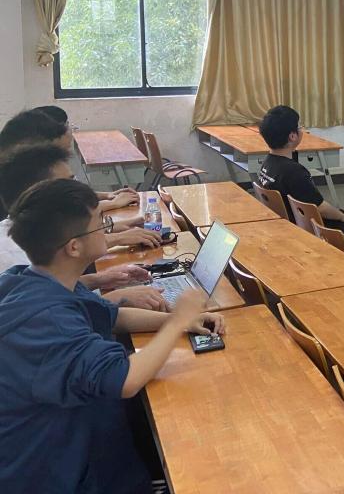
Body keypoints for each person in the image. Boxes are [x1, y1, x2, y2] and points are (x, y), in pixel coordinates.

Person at [0, 178, 225, 493]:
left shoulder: (30, 280)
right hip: (54, 469)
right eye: (100, 223)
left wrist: (182, 320)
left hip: (72, 436)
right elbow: (125, 380)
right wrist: (177, 323)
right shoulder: (48, 321)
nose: (107, 229)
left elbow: (113, 316)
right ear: (74, 247)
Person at [0, 143, 167, 311]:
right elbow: (53, 309)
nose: (77, 188)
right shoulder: (14, 256)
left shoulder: (27, 235)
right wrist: (112, 300)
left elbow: (52, 287)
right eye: (67, 184)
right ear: (41, 194)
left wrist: (99, 279)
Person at [255, 105, 344, 256]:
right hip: (308, 227)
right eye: (299, 127)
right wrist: (343, 217)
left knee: (340, 214)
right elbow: (319, 208)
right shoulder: (294, 171)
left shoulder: (267, 163)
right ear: (292, 136)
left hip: (292, 221)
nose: (302, 130)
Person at [0, 107, 137, 210]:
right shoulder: (23, 173)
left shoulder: (22, 165)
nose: (70, 131)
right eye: (67, 125)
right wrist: (112, 204)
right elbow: (61, 213)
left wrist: (107, 196)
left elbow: (64, 195)